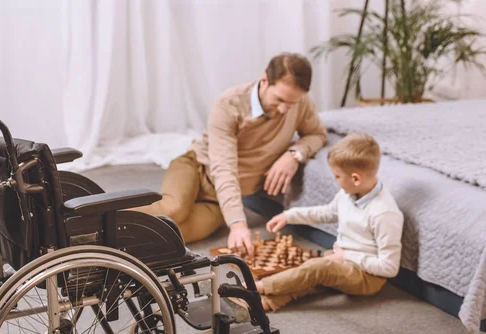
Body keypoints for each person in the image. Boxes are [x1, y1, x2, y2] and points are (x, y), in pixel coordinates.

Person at [134, 53, 327, 255]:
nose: (283, 109)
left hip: (218, 200)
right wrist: (237, 224)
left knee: (172, 234)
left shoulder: (301, 103)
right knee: (174, 209)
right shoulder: (229, 104)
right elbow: (223, 167)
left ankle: (112, 245)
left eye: (291, 103)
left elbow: (317, 134)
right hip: (196, 167)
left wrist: (294, 154)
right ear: (264, 81)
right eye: (279, 99)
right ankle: (101, 218)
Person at [254, 133, 404, 312]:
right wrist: (289, 216)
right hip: (342, 259)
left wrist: (347, 257)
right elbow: (325, 213)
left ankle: (258, 287)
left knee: (317, 269)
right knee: (309, 274)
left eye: (337, 176)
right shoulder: (348, 195)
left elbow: (389, 268)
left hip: (367, 276)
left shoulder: (384, 213)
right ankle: (267, 302)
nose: (335, 180)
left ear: (355, 178)